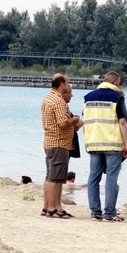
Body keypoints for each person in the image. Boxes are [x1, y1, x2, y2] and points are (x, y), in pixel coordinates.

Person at [83, 71, 127, 222]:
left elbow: (87, 120)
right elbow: (122, 123)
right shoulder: (117, 97)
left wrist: (87, 141)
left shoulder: (88, 97)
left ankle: (95, 213)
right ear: (115, 82)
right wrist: (126, 144)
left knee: (93, 178)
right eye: (120, 83)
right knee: (111, 179)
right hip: (113, 144)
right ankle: (109, 214)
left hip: (94, 143)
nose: (121, 86)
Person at [41, 73, 82, 218]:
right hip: (58, 143)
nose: (68, 85)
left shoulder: (48, 99)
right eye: (67, 82)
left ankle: (50, 207)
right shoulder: (58, 101)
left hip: (51, 142)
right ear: (61, 84)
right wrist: (75, 119)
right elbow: (63, 123)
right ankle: (53, 208)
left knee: (52, 176)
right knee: (55, 178)